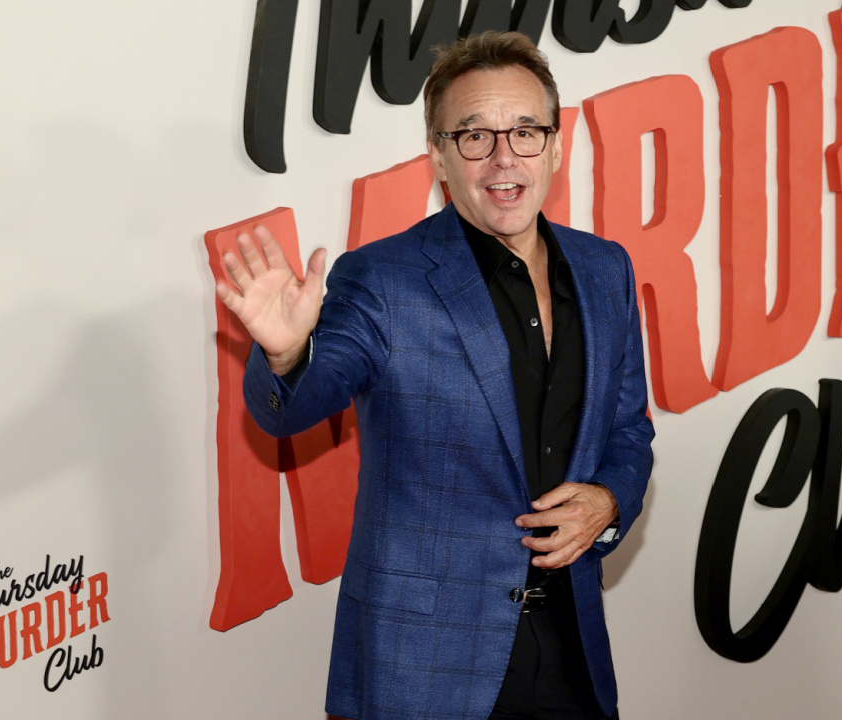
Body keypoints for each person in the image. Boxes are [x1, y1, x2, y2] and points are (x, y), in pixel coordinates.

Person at [214, 31, 653, 720]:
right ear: (440, 158)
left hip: (571, 653)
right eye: (474, 136)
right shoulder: (384, 279)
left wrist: (609, 502)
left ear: (557, 145)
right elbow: (297, 406)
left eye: (526, 132)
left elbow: (629, 430)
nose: (504, 156)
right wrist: (284, 354)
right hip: (425, 667)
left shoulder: (606, 270)